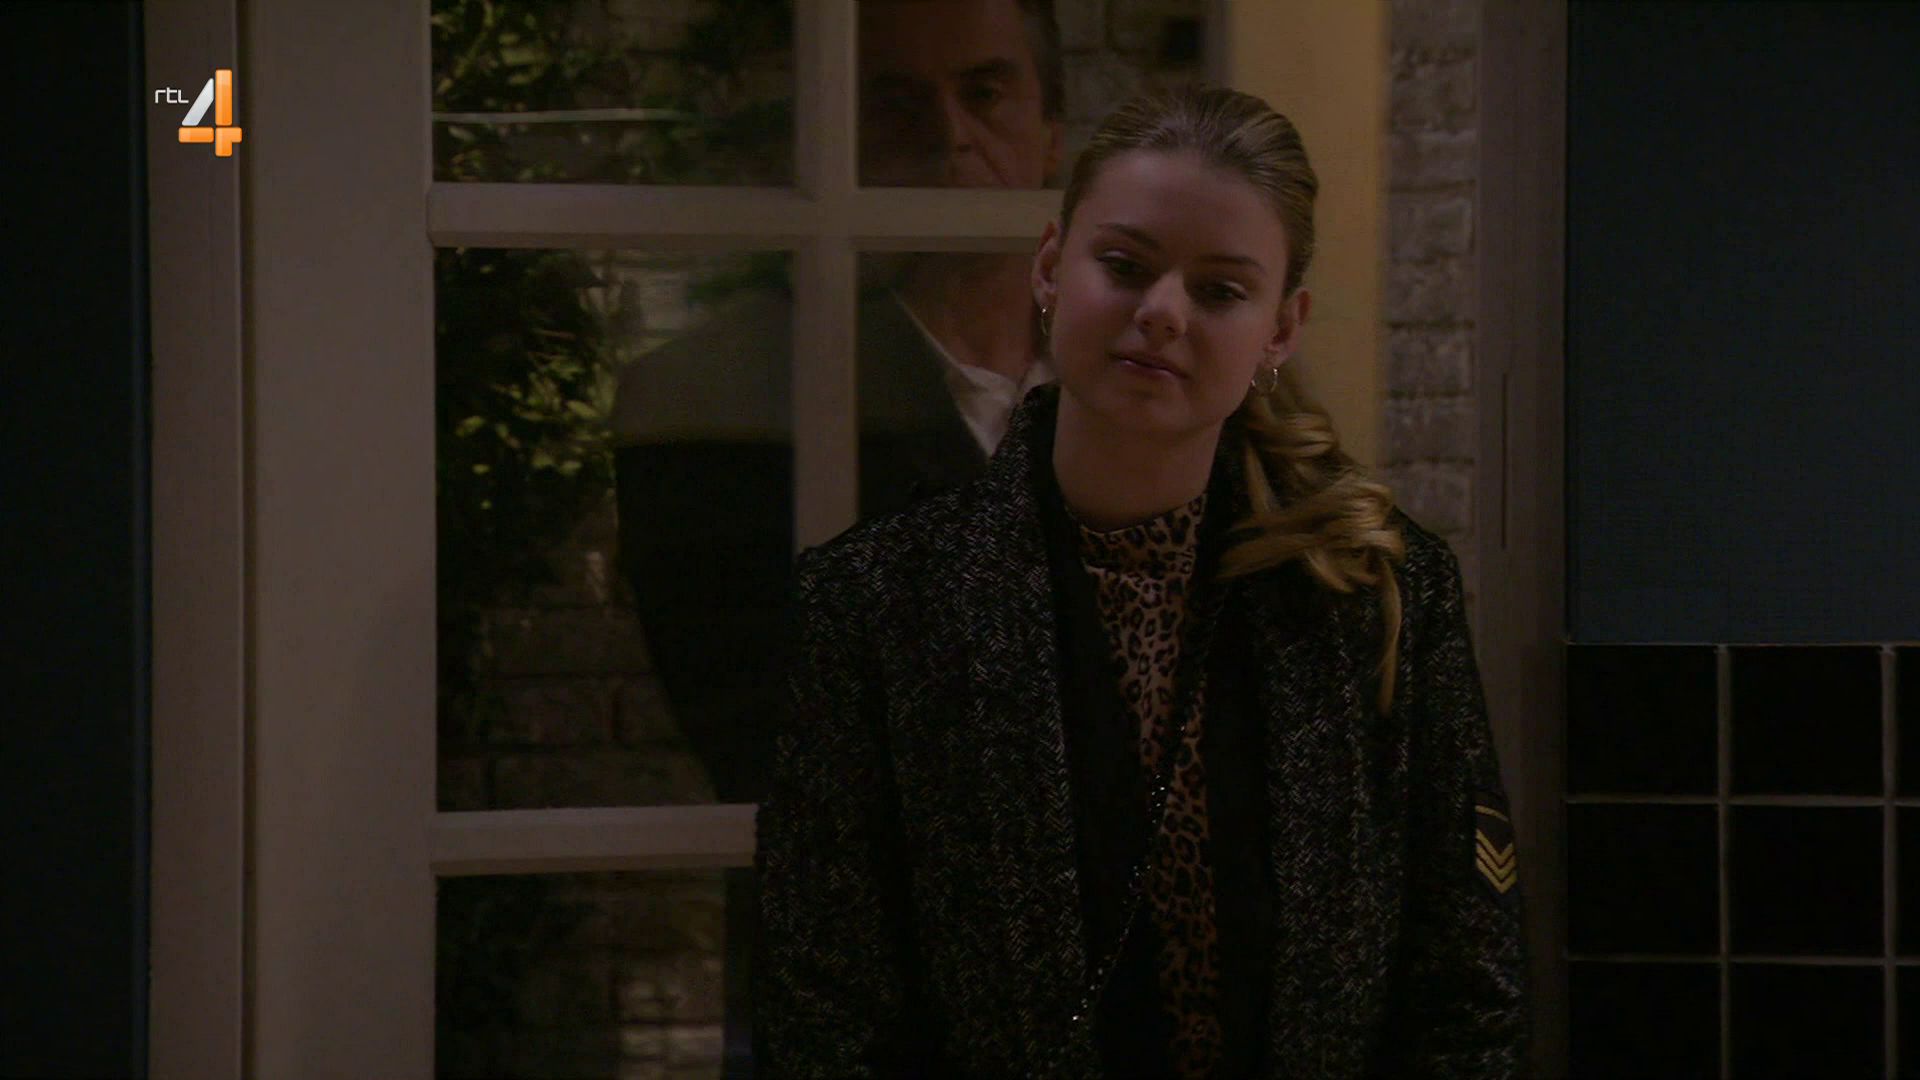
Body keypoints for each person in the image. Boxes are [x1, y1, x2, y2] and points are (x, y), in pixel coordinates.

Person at [754, 86, 1530, 1077]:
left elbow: (1468, 990)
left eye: (1221, 290)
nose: (1162, 314)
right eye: (1123, 267)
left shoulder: (1375, 591)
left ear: (1281, 329)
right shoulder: (878, 605)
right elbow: (820, 1012)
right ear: (1049, 267)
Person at [612, 0, 1066, 805]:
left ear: (1051, 132)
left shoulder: (1142, 372)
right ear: (837, 142)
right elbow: (770, 743)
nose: (949, 136)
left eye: (985, 94)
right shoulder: (717, 394)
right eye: (897, 103)